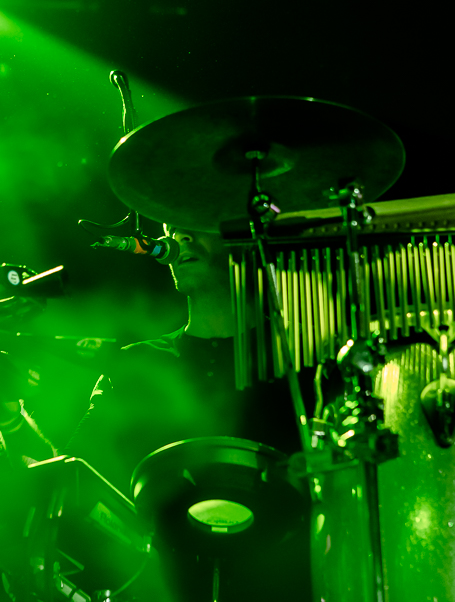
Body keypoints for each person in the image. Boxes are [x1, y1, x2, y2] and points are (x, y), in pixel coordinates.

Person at [67, 224, 313, 602]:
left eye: (197, 223)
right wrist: (10, 421)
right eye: (172, 227)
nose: (181, 237)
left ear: (242, 234)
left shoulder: (306, 365)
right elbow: (75, 478)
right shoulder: (137, 366)